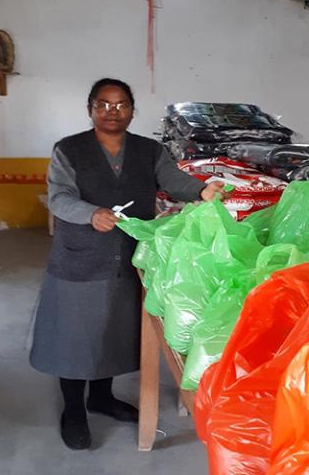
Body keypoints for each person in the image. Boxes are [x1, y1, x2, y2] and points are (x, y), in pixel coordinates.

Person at [29, 78, 225, 450]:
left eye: (120, 105)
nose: (111, 112)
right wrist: (91, 214)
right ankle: (74, 410)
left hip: (128, 255)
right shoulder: (69, 150)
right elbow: (60, 197)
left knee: (112, 333)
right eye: (103, 104)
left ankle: (100, 397)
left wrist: (201, 190)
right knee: (75, 338)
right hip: (80, 259)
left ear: (132, 110)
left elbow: (171, 180)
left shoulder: (148, 150)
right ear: (90, 109)